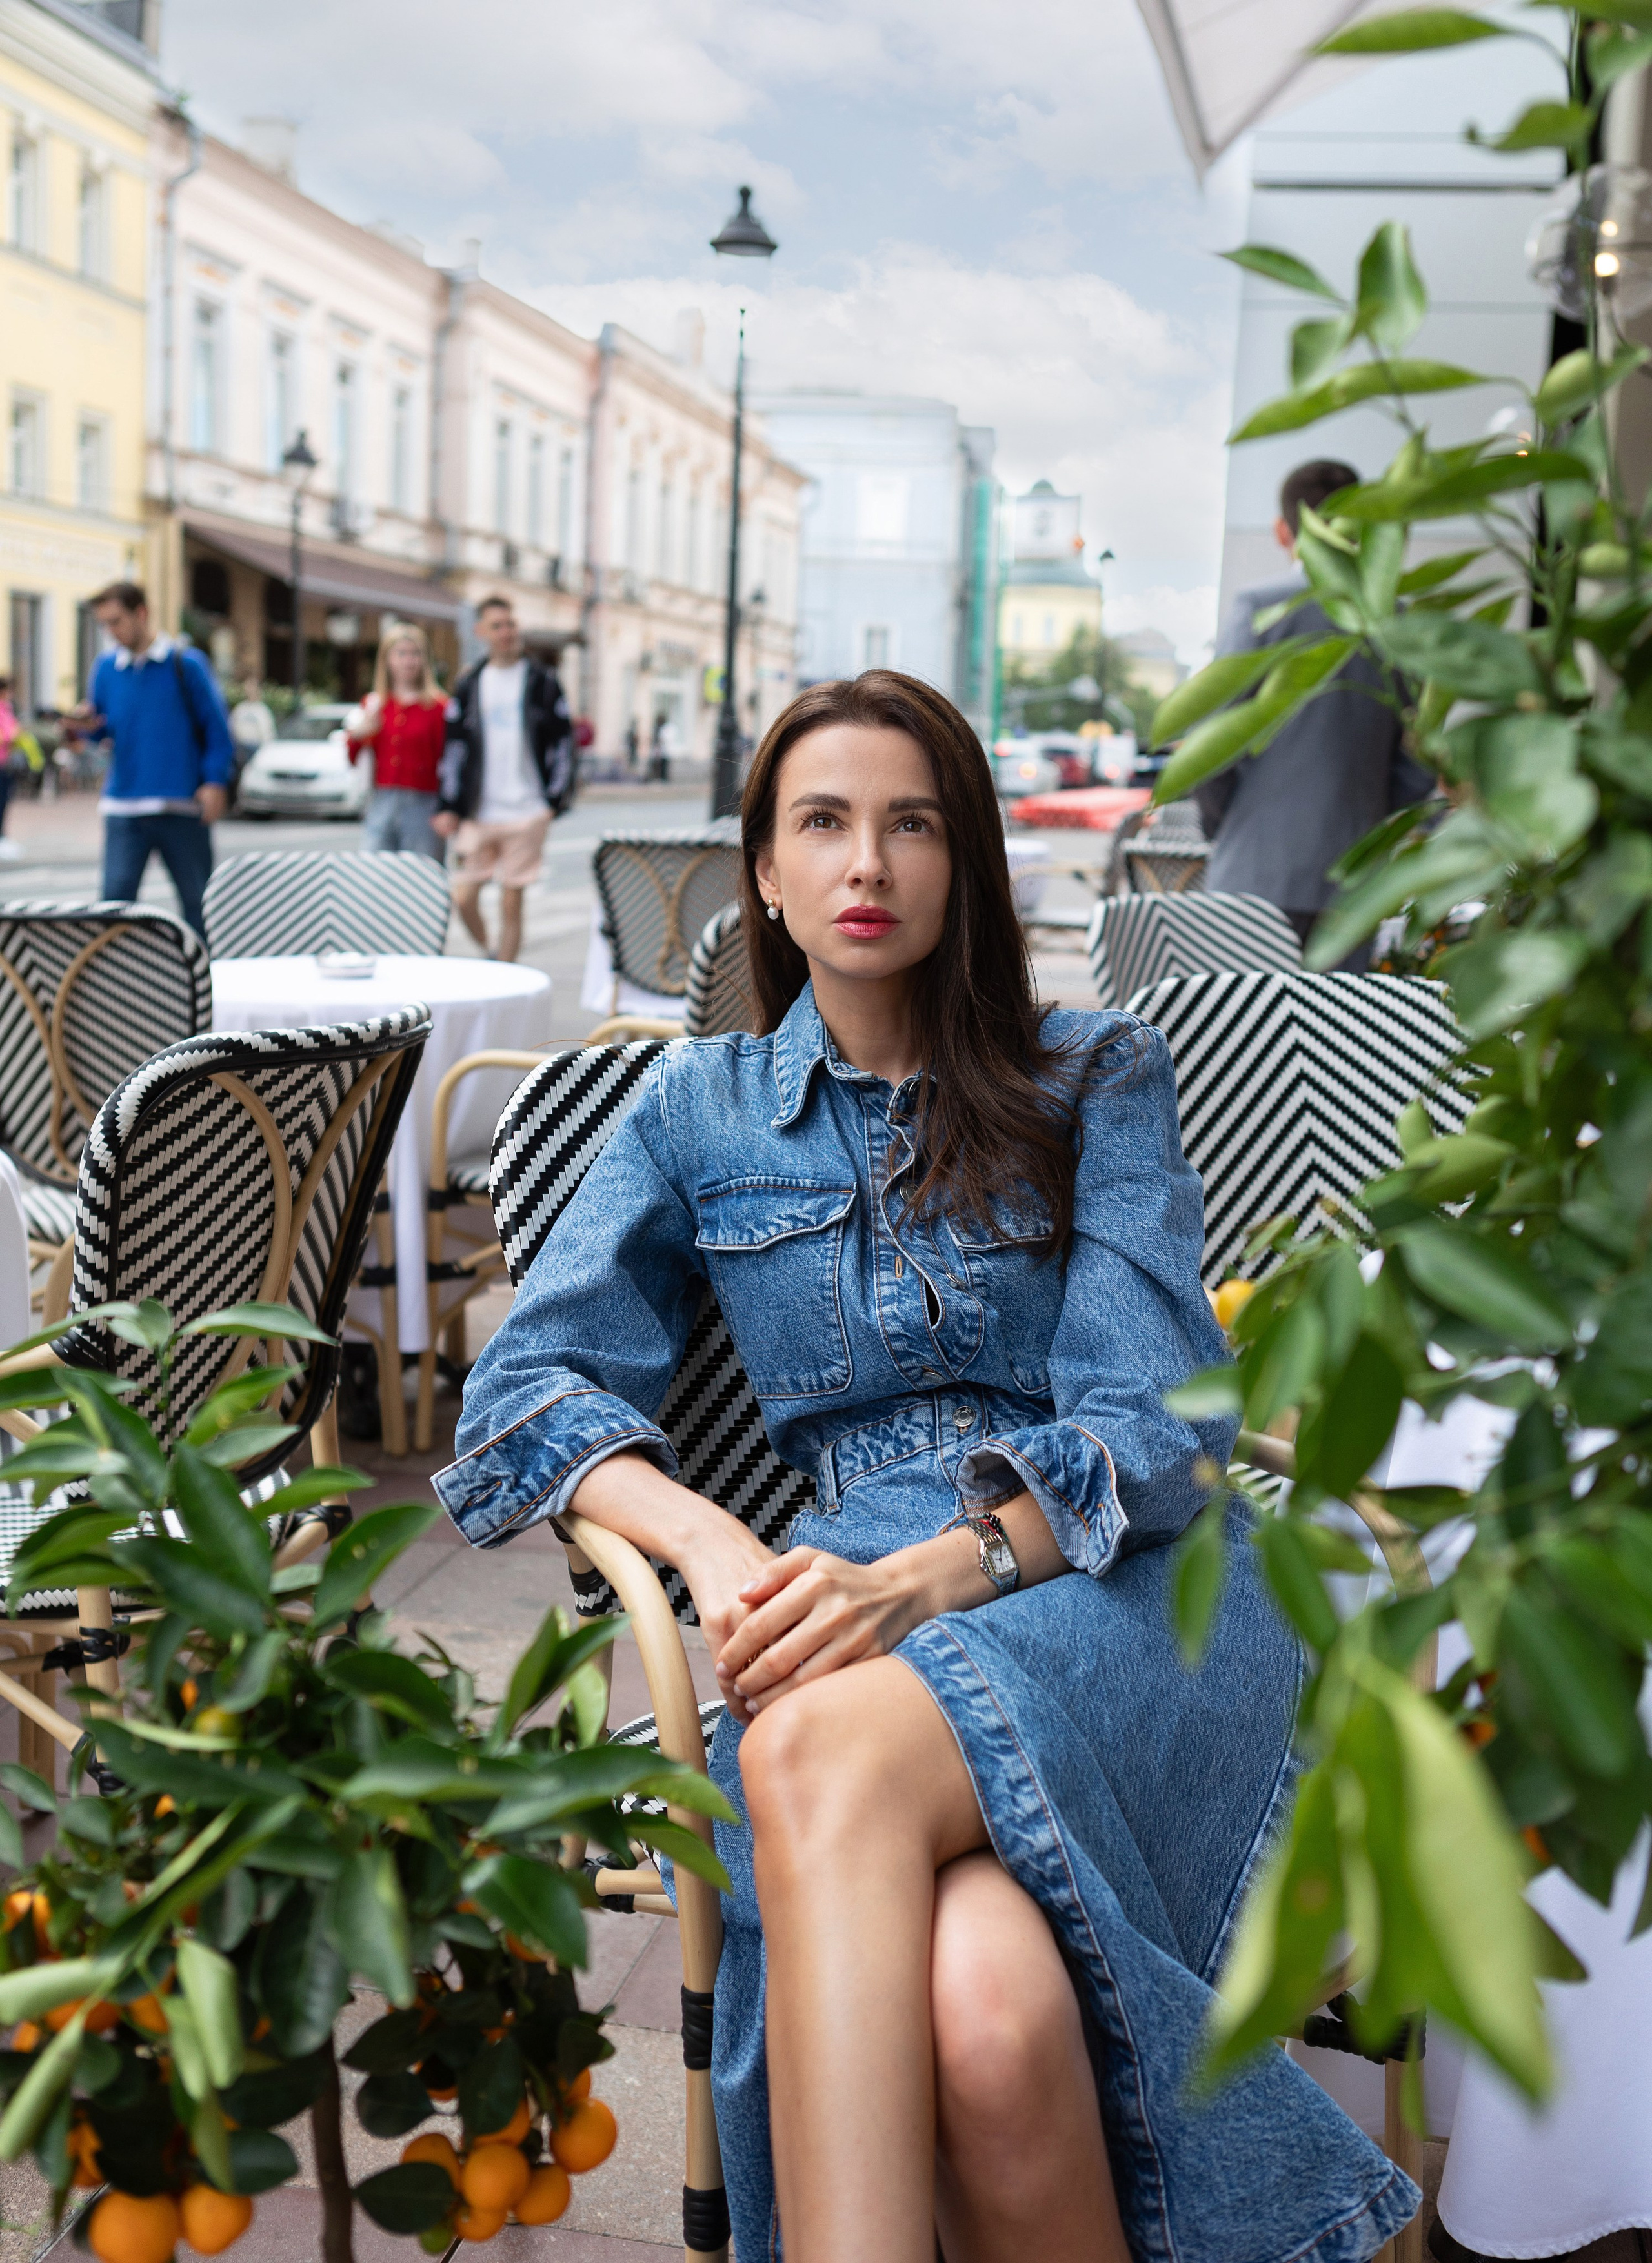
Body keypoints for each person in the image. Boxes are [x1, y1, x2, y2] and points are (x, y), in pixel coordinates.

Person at [434, 670, 1419, 2263]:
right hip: (838, 1596)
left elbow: (1158, 1424)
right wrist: (714, 1551)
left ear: (963, 859)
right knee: (982, 2008)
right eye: (821, 823)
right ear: (763, 868)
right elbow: (525, 1387)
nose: (866, 865)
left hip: (1117, 1594)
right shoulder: (695, 1112)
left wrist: (938, 1572)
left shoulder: (1093, 1074)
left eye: (909, 825)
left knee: (807, 1753)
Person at [1193, 458, 1436, 967]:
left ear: (1284, 531)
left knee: (1242, 1037)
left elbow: (1214, 742)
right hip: (1354, 881)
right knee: (1331, 1042)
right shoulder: (1398, 621)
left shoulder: (1258, 605)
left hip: (1253, 871)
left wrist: (1225, 824)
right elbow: (1419, 764)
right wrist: (1365, 817)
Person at [80, 581, 235, 940]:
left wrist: (214, 781)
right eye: (104, 624)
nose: (110, 632)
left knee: (199, 907)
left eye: (116, 621)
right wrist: (82, 729)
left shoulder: (186, 664)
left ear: (142, 613)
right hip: (124, 806)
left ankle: (203, 987)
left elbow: (218, 730)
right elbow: (102, 732)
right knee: (114, 911)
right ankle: (113, 988)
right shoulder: (105, 668)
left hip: (180, 806)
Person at [434, 596, 572, 963]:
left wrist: (554, 799)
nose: (506, 632)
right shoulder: (470, 683)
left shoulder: (542, 681)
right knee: (463, 897)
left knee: (512, 901)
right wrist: (449, 803)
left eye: (510, 624)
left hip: (527, 809)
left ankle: (506, 973)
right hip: (478, 810)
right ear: (481, 632)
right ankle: (492, 954)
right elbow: (454, 747)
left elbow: (563, 742)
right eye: (497, 626)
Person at [347, 624, 449, 860]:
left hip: (424, 802)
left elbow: (447, 761)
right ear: (387, 660)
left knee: (423, 873)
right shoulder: (374, 704)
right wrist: (358, 735)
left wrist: (448, 808)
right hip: (381, 800)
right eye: (401, 653)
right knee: (375, 871)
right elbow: (353, 759)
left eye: (415, 654)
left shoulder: (439, 707)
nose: (409, 661)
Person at [0, 676, 20, 861]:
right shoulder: (3, 709)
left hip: (4, 761)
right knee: (2, 801)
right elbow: (9, 735)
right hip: (1, 762)